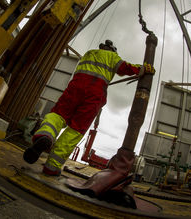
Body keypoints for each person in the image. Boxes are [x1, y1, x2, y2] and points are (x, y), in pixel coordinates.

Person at [23, 39, 155, 175]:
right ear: (113, 50)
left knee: (58, 114)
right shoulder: (112, 57)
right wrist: (143, 69)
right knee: (76, 129)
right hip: (94, 95)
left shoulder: (89, 53)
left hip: (75, 87)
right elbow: (124, 68)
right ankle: (51, 167)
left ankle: (46, 135)